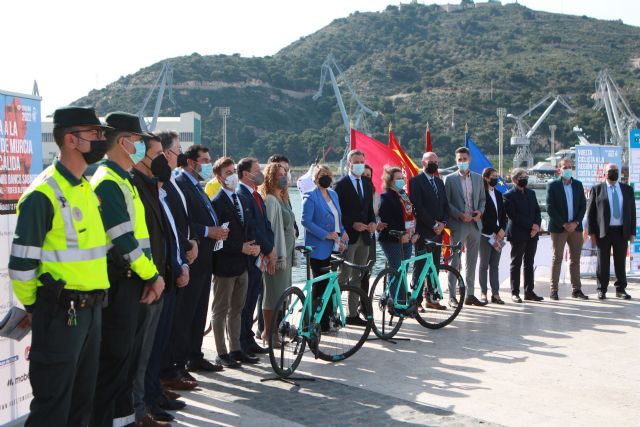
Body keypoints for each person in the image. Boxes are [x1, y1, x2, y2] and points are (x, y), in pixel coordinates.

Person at [8, 107, 109, 426]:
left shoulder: (84, 189)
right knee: (52, 408)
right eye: (95, 134)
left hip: (91, 312)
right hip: (61, 314)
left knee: (82, 404)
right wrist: (37, 307)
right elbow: (21, 265)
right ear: (70, 139)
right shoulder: (43, 193)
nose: (101, 140)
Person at [90, 112, 165, 427]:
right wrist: (153, 276)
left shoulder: (124, 179)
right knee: (113, 365)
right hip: (121, 284)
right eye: (137, 141)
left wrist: (148, 277)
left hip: (135, 282)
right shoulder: (108, 181)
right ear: (122, 142)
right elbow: (124, 241)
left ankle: (124, 421)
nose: (140, 147)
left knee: (126, 365)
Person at [130, 133, 188, 424]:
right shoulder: (138, 188)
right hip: (150, 283)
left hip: (164, 277)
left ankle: (154, 395)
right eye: (160, 155)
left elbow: (170, 236)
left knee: (157, 347)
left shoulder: (160, 191)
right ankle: (144, 404)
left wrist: (179, 262)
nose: (166, 160)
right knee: (146, 352)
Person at [165, 145, 228, 386]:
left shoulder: (195, 185)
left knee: (199, 310)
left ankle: (195, 355)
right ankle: (178, 364)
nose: (207, 164)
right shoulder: (181, 183)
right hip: (194, 254)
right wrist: (207, 230)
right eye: (204, 160)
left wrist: (216, 231)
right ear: (191, 162)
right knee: (186, 313)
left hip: (206, 256)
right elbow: (182, 222)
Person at [155, 132, 200, 398]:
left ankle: (169, 373)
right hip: (168, 267)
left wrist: (189, 244)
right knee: (166, 329)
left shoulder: (172, 183)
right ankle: (163, 378)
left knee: (175, 324)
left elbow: (179, 224)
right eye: (177, 150)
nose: (180, 154)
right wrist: (184, 250)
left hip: (181, 259)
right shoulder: (162, 184)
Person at [211, 157, 261, 367]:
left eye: (233, 171)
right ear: (219, 177)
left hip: (243, 263)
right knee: (221, 309)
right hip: (224, 264)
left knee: (238, 309)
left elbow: (247, 227)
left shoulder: (240, 198)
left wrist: (253, 247)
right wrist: (239, 247)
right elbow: (218, 239)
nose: (231, 176)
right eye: (227, 173)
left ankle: (236, 348)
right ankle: (222, 352)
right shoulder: (216, 202)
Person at [301, 165, 348, 331]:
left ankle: (326, 320)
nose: (326, 177)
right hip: (318, 247)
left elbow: (338, 219)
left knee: (330, 285)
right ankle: (312, 321)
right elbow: (306, 221)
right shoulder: (310, 196)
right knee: (320, 285)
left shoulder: (333, 194)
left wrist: (343, 232)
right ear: (316, 177)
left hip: (335, 246)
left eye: (328, 174)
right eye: (322, 175)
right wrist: (325, 234)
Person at [237, 157, 275, 355]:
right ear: (246, 174)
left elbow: (265, 225)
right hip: (251, 255)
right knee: (245, 301)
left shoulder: (256, 195)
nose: (260, 172)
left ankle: (248, 338)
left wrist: (270, 247)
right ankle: (241, 341)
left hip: (260, 254)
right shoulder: (241, 195)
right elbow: (252, 228)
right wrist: (268, 249)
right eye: (256, 169)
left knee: (253, 297)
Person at [334, 150, 376, 324]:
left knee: (358, 277)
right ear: (349, 163)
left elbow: (369, 210)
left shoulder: (367, 184)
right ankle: (333, 313)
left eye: (362, 161)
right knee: (343, 276)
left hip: (365, 237)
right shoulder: (341, 185)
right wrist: (352, 224)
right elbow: (337, 212)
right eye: (356, 161)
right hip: (349, 237)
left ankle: (352, 314)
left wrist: (372, 222)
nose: (359, 164)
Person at [444, 147, 486, 307]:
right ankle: (452, 296)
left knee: (472, 261)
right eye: (459, 159)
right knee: (455, 260)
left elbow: (482, 199)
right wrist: (459, 215)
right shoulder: (449, 179)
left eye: (464, 159)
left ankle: (470, 294)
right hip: (458, 224)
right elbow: (446, 203)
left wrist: (479, 212)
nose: (462, 162)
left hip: (475, 224)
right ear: (456, 161)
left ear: (470, 160)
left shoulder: (477, 178)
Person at [259, 162, 296, 341]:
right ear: (271, 177)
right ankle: (269, 332)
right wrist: (271, 255)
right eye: (280, 174)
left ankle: (275, 330)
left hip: (287, 253)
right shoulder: (271, 200)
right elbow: (270, 229)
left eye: (285, 173)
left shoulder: (282, 197)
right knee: (272, 293)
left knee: (281, 292)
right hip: (277, 254)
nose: (284, 177)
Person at [587, 163, 635, 299]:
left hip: (621, 231)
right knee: (603, 262)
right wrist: (591, 233)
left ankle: (621, 289)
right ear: (604, 173)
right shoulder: (597, 189)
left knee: (620, 261)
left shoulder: (627, 189)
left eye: (616, 170)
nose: (614, 172)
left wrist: (632, 232)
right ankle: (601, 289)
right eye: (611, 171)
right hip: (603, 231)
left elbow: (632, 212)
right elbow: (590, 213)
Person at [409, 152, 448, 310]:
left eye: (436, 161)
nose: (434, 164)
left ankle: (431, 297)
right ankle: (416, 300)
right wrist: (433, 224)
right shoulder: (416, 181)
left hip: (438, 231)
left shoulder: (439, 182)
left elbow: (445, 205)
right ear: (423, 162)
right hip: (424, 230)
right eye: (430, 161)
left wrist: (443, 223)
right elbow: (417, 206)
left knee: (434, 265)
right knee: (420, 265)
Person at [546, 159, 588, 300]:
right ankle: (554, 290)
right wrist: (564, 224)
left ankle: (576, 290)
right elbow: (550, 208)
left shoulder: (578, 185)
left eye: (570, 167)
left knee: (575, 259)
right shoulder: (553, 186)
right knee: (557, 258)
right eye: (565, 167)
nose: (568, 169)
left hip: (576, 228)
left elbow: (583, 206)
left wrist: (575, 223)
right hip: (559, 228)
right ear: (559, 170)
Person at [378, 166, 420, 305]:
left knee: (403, 270)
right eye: (398, 179)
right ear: (390, 181)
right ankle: (394, 302)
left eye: (402, 178)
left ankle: (402, 300)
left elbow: (411, 216)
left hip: (408, 238)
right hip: (392, 240)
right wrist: (400, 235)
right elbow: (388, 220)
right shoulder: (385, 197)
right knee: (395, 269)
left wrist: (414, 233)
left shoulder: (404, 195)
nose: (401, 181)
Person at [504, 168, 543, 303]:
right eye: (521, 176)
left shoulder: (531, 193)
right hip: (518, 233)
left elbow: (537, 211)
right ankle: (515, 292)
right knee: (516, 263)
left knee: (529, 263)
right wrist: (531, 226)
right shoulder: (508, 195)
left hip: (532, 234)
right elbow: (514, 216)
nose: (524, 178)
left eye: (525, 175)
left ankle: (529, 291)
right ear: (514, 180)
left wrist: (537, 226)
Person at [478, 167, 507, 304]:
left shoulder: (499, 194)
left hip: (498, 236)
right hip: (485, 234)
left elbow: (503, 216)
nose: (495, 178)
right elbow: (484, 217)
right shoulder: (481, 194)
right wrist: (496, 229)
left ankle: (495, 294)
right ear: (486, 178)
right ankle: (483, 292)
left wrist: (502, 229)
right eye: (493, 176)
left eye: (497, 176)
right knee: (484, 265)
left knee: (494, 265)